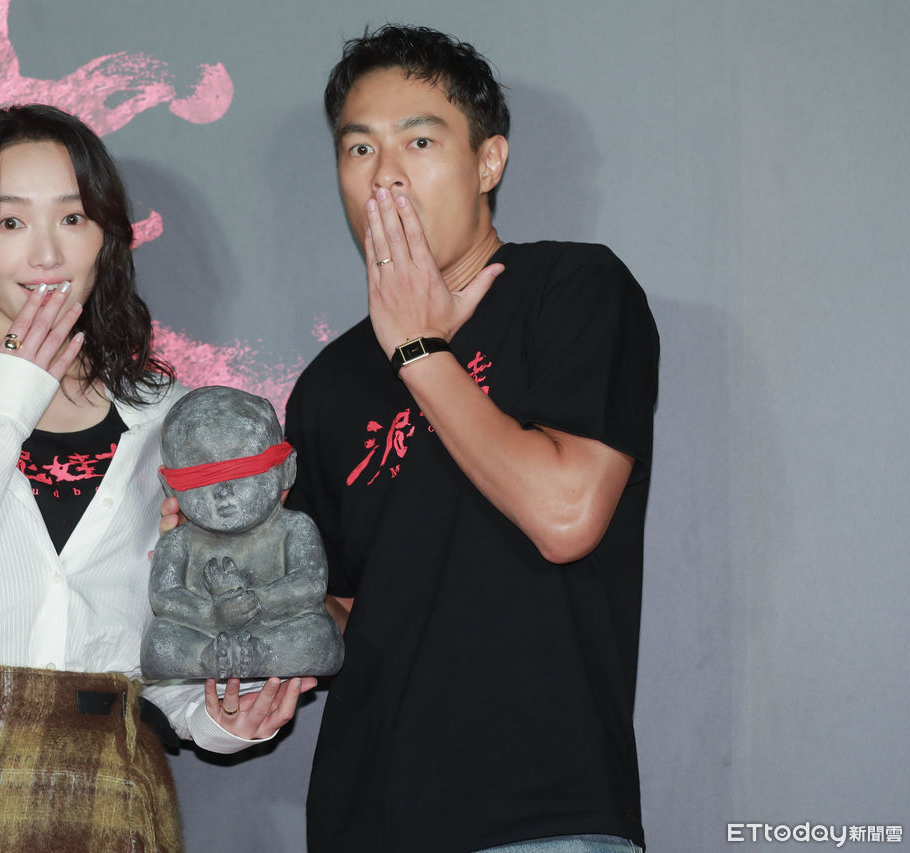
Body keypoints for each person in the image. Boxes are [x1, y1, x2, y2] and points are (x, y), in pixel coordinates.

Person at [159, 24, 658, 853]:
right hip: (363, 817)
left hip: (541, 815)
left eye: (419, 142)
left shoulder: (572, 289)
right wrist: (232, 574)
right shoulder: (329, 383)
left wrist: (419, 350)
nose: (384, 174)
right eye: (359, 149)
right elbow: (345, 606)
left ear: (489, 161)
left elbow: (566, 515)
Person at [0, 104, 313, 852]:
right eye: (11, 221)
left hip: (108, 787)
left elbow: (160, 642)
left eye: (73, 218)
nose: (46, 253)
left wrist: (213, 716)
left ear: (107, 235)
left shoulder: (168, 417)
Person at [141, 386, 343, 681]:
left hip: (276, 628)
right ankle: (206, 658)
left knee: (318, 635)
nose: (222, 491)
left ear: (287, 469)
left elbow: (310, 583)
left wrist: (257, 601)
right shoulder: (178, 541)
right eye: (201, 477)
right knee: (160, 640)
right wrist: (211, 614)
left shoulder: (294, 527)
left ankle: (262, 653)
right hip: (203, 629)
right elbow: (164, 596)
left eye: (242, 471)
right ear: (170, 487)